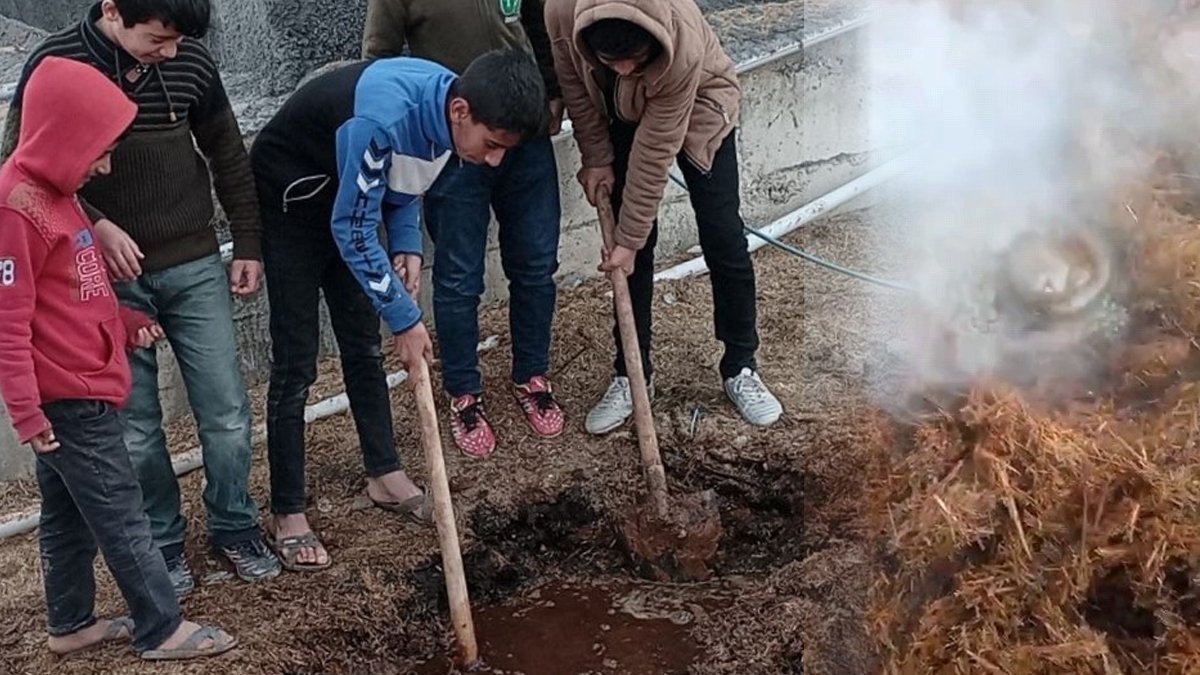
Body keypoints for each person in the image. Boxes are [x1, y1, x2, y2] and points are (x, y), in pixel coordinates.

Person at [0, 0, 281, 594]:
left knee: (227, 410)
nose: (170, 52)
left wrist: (247, 240)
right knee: (136, 426)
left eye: (179, 40)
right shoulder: (56, 65)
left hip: (195, 260)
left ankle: (235, 525)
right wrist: (94, 224)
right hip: (109, 278)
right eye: (159, 38)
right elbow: (22, 167)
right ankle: (164, 543)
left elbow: (227, 151)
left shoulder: (191, 62)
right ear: (113, 11)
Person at [249, 50, 547, 570]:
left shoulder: (445, 108)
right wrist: (405, 318)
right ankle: (288, 511)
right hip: (295, 196)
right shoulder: (382, 119)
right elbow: (352, 227)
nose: (493, 160)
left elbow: (406, 178)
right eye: (492, 145)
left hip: (350, 200)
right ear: (460, 111)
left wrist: (407, 241)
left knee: (362, 343)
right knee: (296, 359)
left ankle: (384, 474)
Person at [0, 55, 237, 662]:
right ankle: (161, 627)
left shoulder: (62, 194)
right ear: (63, 135)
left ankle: (70, 622)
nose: (105, 166)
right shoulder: (16, 209)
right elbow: (9, 320)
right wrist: (27, 411)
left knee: (67, 514)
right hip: (67, 398)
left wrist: (123, 323)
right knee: (121, 510)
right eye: (99, 151)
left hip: (86, 379)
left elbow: (77, 286)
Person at [545, 0, 784, 433]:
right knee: (627, 247)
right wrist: (597, 158)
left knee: (721, 233)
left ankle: (740, 366)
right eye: (609, 61)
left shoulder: (680, 38)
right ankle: (632, 376)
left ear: (651, 44)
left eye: (631, 60)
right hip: (619, 111)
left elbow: (655, 150)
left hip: (698, 104)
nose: (621, 69)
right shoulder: (561, 11)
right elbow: (576, 89)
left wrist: (631, 239)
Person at [362, 0, 566, 458]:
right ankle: (464, 394)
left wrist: (551, 89)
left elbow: (538, 19)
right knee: (458, 276)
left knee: (535, 263)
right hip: (453, 143)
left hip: (525, 136)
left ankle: (531, 375)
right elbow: (379, 61)